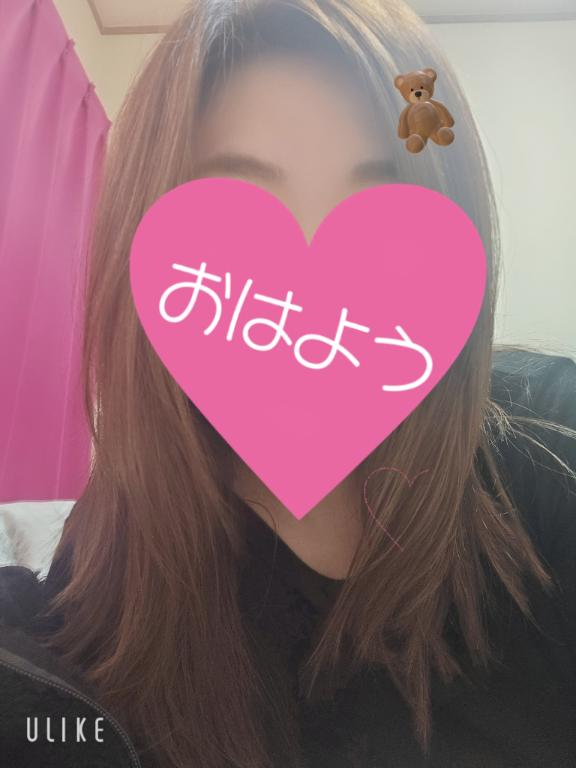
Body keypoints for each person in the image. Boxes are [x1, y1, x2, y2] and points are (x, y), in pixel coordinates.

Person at [1, 1, 575, 767]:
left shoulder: (550, 444)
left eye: (380, 205)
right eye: (238, 206)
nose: (313, 288)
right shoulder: (116, 552)